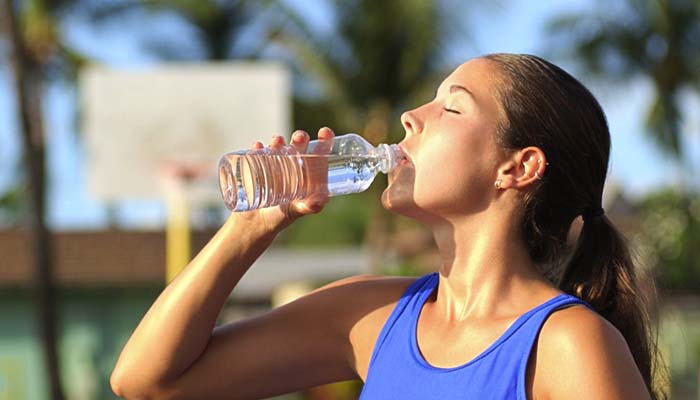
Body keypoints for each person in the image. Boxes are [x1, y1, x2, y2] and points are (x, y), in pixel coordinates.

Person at [110, 54, 664, 399]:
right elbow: (147, 381)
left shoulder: (567, 345)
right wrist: (250, 228)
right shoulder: (370, 318)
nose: (410, 117)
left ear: (517, 168)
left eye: (452, 108)